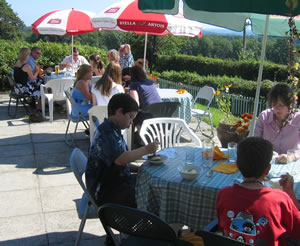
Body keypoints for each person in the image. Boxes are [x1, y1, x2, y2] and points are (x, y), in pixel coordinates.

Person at [216, 137, 300, 246]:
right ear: (267, 169)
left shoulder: (224, 194)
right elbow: (297, 231)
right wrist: (290, 193)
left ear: (237, 165)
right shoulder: (280, 199)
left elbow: (221, 226)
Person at [85, 93, 159, 208]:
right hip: (105, 193)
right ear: (119, 112)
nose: (131, 122)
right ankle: (151, 224)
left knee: (153, 185)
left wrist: (139, 169)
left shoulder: (113, 130)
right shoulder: (106, 133)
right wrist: (147, 149)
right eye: (130, 117)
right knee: (154, 196)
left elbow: (118, 164)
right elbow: (120, 159)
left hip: (115, 183)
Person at [254, 83, 300, 163]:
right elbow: (253, 141)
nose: (277, 108)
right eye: (274, 104)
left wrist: (290, 157)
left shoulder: (298, 119)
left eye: (281, 105)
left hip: (292, 164)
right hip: (268, 162)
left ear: (290, 105)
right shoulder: (264, 116)